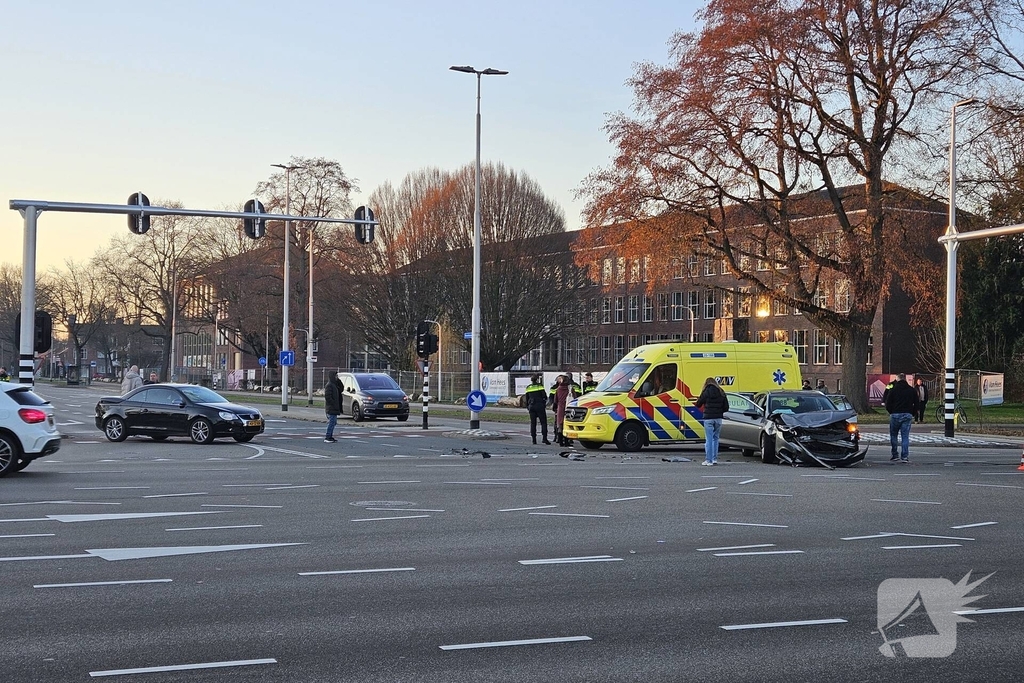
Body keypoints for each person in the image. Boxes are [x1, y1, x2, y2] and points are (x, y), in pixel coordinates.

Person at [884, 373, 917, 463]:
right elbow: (917, 404)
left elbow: (888, 403)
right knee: (905, 436)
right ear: (905, 379)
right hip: (907, 414)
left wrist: (891, 411)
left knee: (894, 435)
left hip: (895, 414)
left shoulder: (893, 390)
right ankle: (904, 456)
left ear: (897, 379)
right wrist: (912, 413)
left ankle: (895, 455)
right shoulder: (911, 390)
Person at [695, 377, 728, 466]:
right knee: (716, 439)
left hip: (708, 418)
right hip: (718, 418)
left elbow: (698, 404)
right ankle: (714, 459)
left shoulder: (706, 391)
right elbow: (726, 407)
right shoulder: (721, 392)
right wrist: (719, 411)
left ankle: (708, 460)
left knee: (708, 439)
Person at [524, 373, 550, 445]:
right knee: (543, 423)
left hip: (531, 406)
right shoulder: (540, 386)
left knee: (533, 423)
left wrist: (528, 407)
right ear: (537, 379)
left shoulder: (528, 387)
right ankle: (544, 438)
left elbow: (526, 398)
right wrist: (544, 402)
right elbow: (544, 396)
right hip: (539, 406)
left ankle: (534, 440)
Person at [551, 375, 574, 447]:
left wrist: (555, 408)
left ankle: (560, 441)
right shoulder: (570, 389)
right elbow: (575, 398)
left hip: (560, 408)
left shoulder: (558, 389)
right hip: (568, 408)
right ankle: (566, 441)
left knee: (560, 425)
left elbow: (555, 400)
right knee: (567, 424)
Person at [323, 373, 344, 443]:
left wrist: (338, 380)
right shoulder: (329, 385)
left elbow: (342, 388)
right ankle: (328, 436)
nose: (336, 377)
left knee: (333, 422)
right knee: (332, 422)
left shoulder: (335, 385)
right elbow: (328, 397)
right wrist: (333, 403)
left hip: (334, 407)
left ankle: (330, 436)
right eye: (335, 376)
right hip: (331, 408)